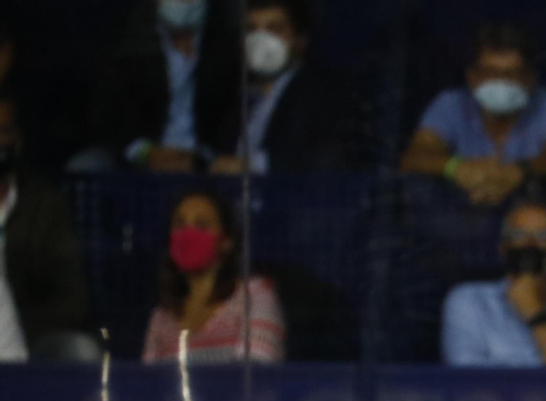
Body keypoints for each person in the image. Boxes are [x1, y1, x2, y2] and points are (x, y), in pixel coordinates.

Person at [401, 23, 546, 206]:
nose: (500, 82)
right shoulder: (450, 103)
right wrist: (457, 168)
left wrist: (519, 171)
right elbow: (414, 156)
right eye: (491, 73)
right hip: (461, 215)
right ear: (472, 76)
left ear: (530, 78)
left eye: (511, 74)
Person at [74, 0, 241, 173]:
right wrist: (145, 153)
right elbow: (108, 114)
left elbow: (230, 116)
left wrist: (202, 158)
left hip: (205, 159)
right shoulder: (129, 42)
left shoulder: (227, 47)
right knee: (85, 165)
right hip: (139, 154)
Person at [442, 198, 546, 368]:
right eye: (518, 235)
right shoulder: (469, 301)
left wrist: (534, 313)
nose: (529, 244)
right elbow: (465, 380)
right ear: (502, 248)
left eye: (544, 235)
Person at [207, 0, 364, 173]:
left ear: (300, 40)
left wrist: (250, 165)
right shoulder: (238, 94)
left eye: (274, 29)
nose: (261, 40)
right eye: (252, 29)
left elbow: (319, 159)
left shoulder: (323, 94)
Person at [142, 188, 285, 363]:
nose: (188, 234)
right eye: (180, 224)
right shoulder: (161, 317)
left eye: (201, 225)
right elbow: (148, 383)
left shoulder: (254, 295)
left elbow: (257, 368)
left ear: (226, 241)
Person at [0, 94, 91, 363]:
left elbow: (74, 300)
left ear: (18, 138)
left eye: (3, 131)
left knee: (80, 351)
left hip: (30, 337)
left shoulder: (45, 205)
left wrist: (12, 323)